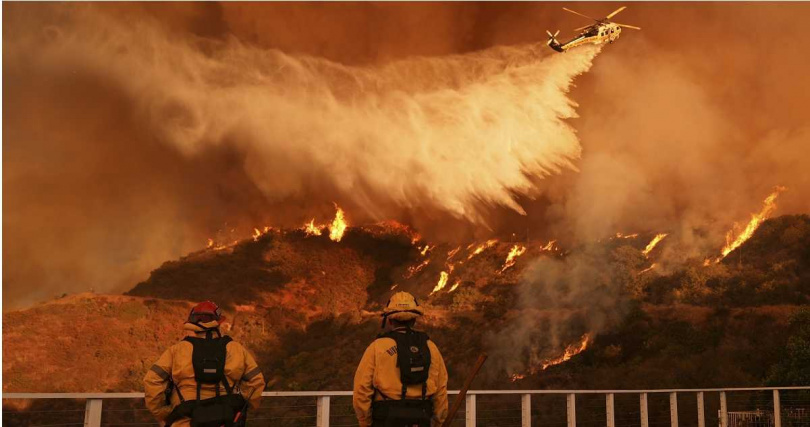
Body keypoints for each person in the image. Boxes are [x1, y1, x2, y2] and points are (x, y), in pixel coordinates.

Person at [144, 301, 265, 427]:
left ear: (192, 323)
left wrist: (163, 413)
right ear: (218, 323)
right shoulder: (236, 349)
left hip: (184, 421)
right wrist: (243, 406)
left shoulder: (177, 350)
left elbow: (152, 380)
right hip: (226, 421)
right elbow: (256, 381)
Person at [353, 292, 449, 427]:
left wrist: (365, 421)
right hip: (421, 417)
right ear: (414, 320)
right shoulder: (430, 347)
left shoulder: (377, 347)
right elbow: (441, 389)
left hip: (385, 418)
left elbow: (362, 389)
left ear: (390, 320)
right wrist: (439, 421)